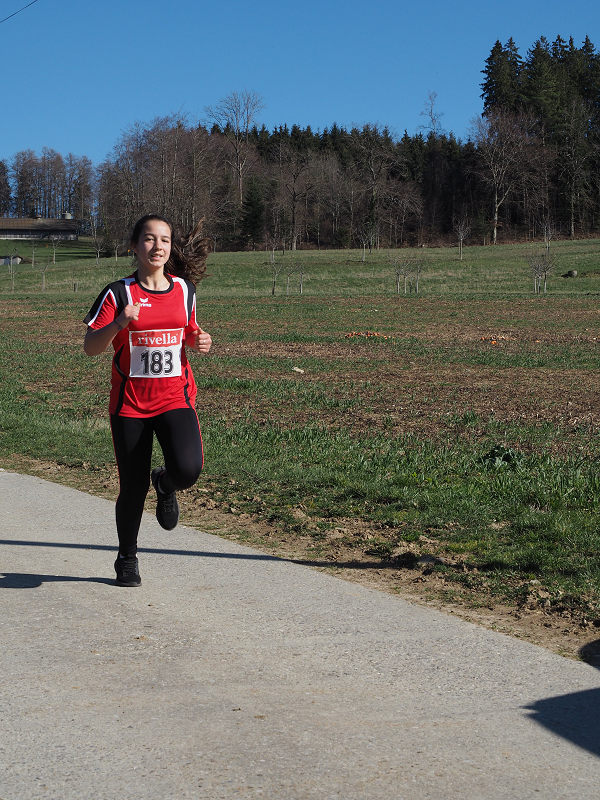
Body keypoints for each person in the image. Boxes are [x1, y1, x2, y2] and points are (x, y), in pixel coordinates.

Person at [83, 214, 212, 587]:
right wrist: (119, 323)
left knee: (188, 469)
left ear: (171, 247)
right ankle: (127, 558)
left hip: (175, 398)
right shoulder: (118, 293)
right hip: (130, 405)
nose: (158, 246)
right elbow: (91, 347)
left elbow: (189, 332)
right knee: (132, 486)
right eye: (150, 239)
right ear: (134, 246)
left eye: (165, 240)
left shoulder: (184, 290)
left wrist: (199, 341)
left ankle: (166, 483)